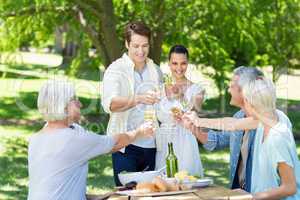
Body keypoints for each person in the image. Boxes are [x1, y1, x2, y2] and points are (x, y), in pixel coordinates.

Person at [27, 80, 155, 200]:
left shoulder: (36, 139)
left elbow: (55, 187)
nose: (80, 104)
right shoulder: (73, 139)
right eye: (75, 100)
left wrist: (103, 196)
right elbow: (115, 143)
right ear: (64, 105)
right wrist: (139, 132)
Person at [182, 78, 300, 199]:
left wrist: (251, 197)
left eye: (245, 100)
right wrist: (197, 121)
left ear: (252, 103)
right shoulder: (262, 122)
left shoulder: (277, 137)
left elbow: (290, 187)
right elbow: (232, 124)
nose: (243, 104)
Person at [101, 21, 163, 186]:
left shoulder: (155, 70)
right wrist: (139, 98)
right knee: (127, 195)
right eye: (136, 46)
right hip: (126, 146)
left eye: (145, 46)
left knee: (151, 194)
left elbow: (161, 104)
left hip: (152, 145)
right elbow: (110, 104)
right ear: (127, 44)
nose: (141, 51)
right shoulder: (115, 70)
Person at [155, 45, 205, 176]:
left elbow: (194, 113)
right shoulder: (159, 89)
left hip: (186, 141)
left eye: (183, 63)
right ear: (169, 64)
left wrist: (181, 97)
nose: (179, 68)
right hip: (164, 142)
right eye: (174, 63)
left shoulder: (197, 89)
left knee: (188, 181)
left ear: (188, 64)